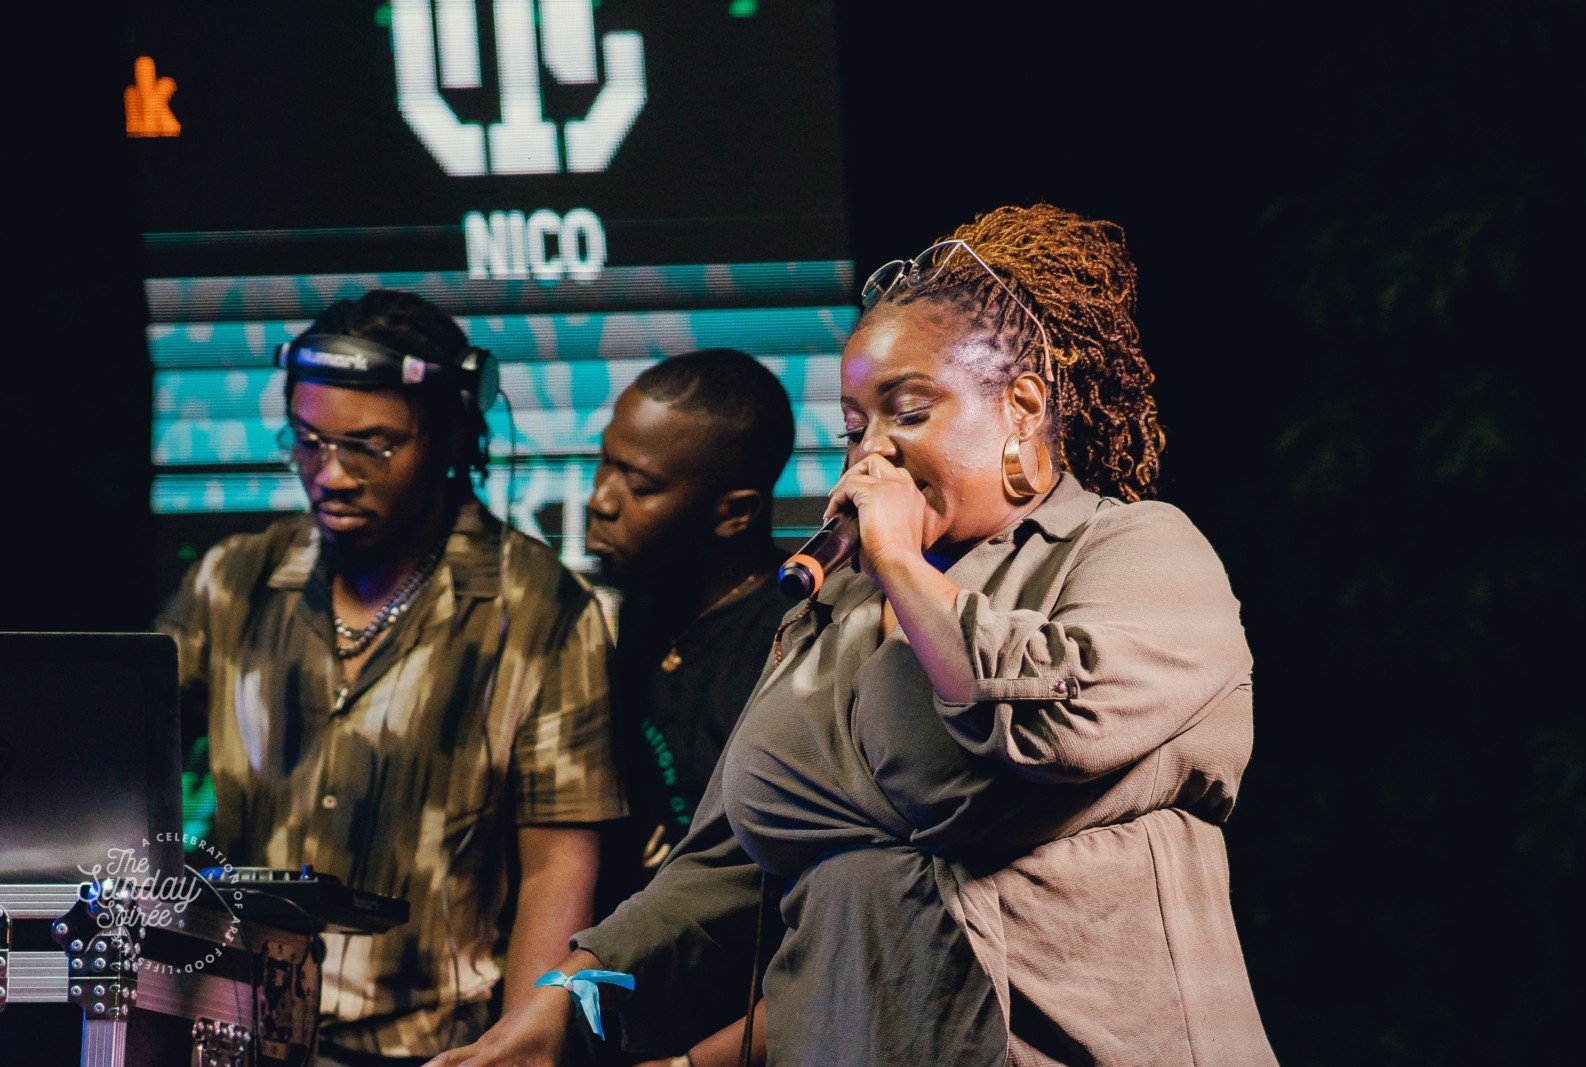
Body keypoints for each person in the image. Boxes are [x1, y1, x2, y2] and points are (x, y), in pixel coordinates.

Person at [426, 203, 1278, 1066]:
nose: (872, 454)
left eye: (908, 411)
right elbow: (722, 870)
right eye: (854, 427)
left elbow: (1035, 731)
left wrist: (902, 565)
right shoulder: (837, 612)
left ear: (1021, 408)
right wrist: (567, 998)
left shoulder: (1136, 551)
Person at [155, 288, 628, 1065]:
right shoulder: (232, 580)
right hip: (233, 1039)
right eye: (309, 441)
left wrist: (516, 1048)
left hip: (426, 1050)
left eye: (370, 446)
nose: (330, 474)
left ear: (449, 437)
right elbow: (117, 774)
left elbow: (557, 864)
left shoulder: (541, 610)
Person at [585, 348, 797, 1066]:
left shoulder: (794, 647)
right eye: (605, 462)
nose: (600, 499)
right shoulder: (626, 612)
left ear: (733, 513)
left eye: (639, 484)